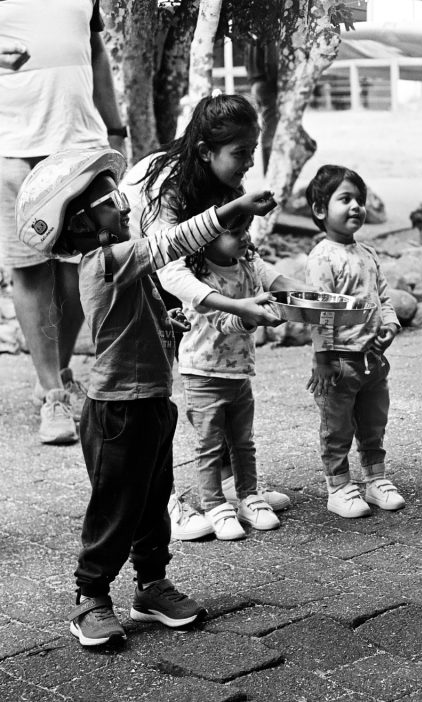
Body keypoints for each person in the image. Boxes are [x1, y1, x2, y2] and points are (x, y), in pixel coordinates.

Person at [16, 147, 277, 646]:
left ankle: (151, 587)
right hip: (117, 412)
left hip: (153, 403)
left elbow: (138, 321)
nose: (126, 206)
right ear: (81, 227)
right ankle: (90, 596)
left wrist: (170, 324)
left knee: (154, 502)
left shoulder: (124, 268)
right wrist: (232, 209)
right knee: (117, 507)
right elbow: (172, 242)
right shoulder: (103, 261)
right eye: (112, 202)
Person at [122, 94, 293, 541]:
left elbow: (245, 257)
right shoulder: (168, 188)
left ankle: (235, 489)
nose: (248, 164)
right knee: (154, 395)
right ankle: (165, 501)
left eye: (251, 153)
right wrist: (234, 306)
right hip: (136, 278)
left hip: (179, 283)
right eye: (240, 154)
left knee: (219, 413)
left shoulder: (220, 187)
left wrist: (284, 287)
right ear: (205, 152)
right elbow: (169, 270)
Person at [0, 0, 128, 445]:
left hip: (80, 143)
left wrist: (115, 126)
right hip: (11, 143)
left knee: (82, 271)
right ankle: (54, 395)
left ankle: (57, 368)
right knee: (31, 269)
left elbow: (95, 51)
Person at [173, 216, 310, 540]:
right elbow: (222, 321)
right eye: (235, 231)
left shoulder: (247, 263)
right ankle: (214, 504)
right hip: (204, 373)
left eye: (245, 229)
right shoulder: (197, 277)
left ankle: (248, 495)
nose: (245, 236)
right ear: (205, 238)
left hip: (238, 371)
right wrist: (250, 320)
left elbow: (277, 281)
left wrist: (312, 298)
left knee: (243, 441)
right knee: (210, 444)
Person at [304, 165, 406, 518]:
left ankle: (375, 479)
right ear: (320, 210)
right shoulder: (322, 257)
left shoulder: (367, 253)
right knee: (337, 428)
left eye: (359, 200)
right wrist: (323, 357)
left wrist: (390, 326)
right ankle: (339, 486)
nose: (355, 207)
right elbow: (320, 312)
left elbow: (383, 295)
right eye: (344, 199)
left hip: (373, 361)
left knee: (374, 422)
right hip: (339, 363)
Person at [243, 37, 278, 175]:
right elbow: (271, 61)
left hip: (255, 84)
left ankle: (267, 171)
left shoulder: (249, 38)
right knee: (269, 130)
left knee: (266, 126)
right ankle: (269, 172)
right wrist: (274, 82)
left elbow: (246, 62)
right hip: (266, 83)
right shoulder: (267, 35)